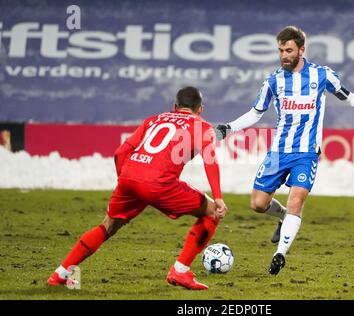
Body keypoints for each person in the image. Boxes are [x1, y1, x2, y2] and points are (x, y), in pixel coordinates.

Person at [215, 26, 354, 275]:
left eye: (288, 50)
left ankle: (279, 254)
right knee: (258, 204)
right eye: (280, 50)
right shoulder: (273, 81)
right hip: (278, 152)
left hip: (307, 153)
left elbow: (347, 97)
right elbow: (256, 112)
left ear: (301, 50)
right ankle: (281, 218)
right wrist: (229, 128)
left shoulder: (322, 75)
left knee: (296, 201)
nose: (283, 55)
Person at [48, 86, 227, 290]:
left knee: (107, 226)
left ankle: (60, 274)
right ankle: (180, 271)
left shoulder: (153, 120)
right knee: (212, 213)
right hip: (160, 184)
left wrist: (125, 183)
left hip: (129, 177)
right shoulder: (202, 127)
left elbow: (121, 152)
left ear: (175, 107)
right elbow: (210, 160)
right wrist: (219, 197)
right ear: (200, 109)